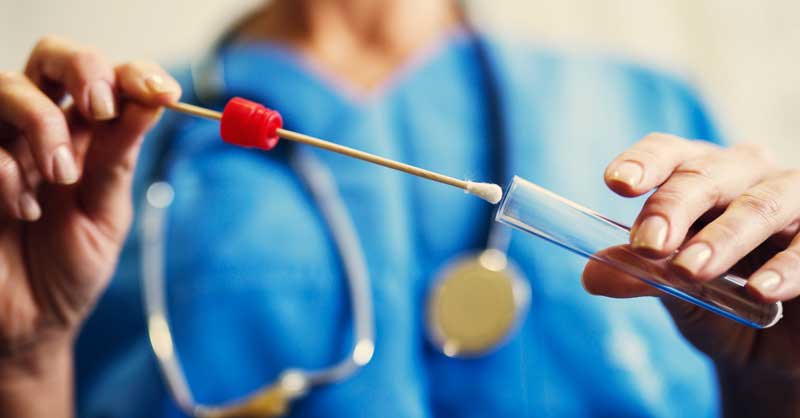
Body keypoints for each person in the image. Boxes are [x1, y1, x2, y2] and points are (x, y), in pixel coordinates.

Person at [0, 0, 798, 417]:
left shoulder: (645, 103)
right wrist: (24, 364)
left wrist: (782, 384)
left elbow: (747, 367)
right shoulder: (101, 142)